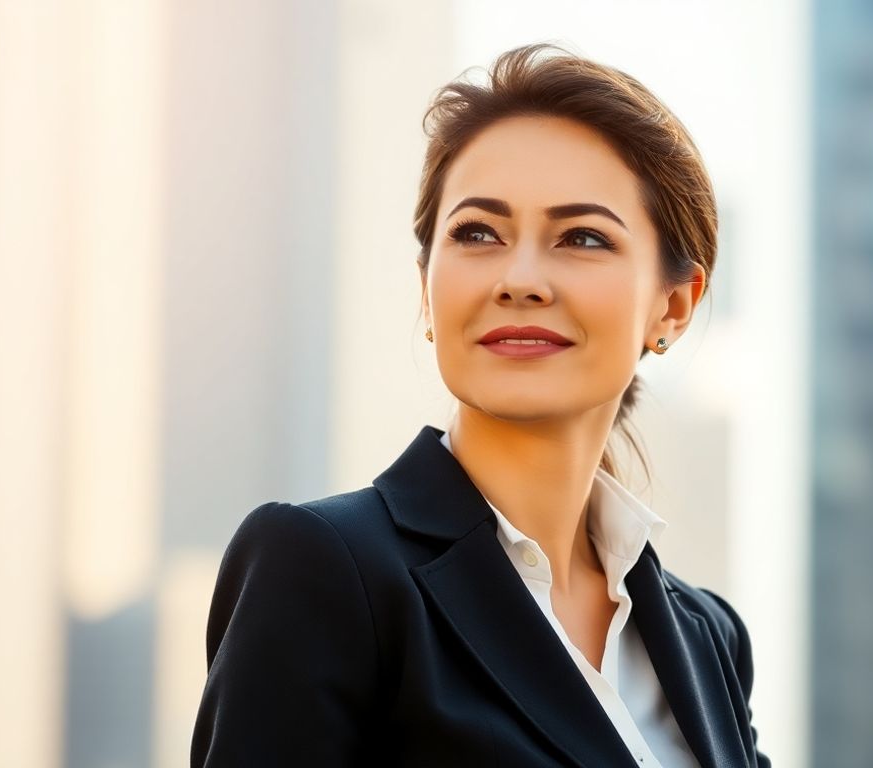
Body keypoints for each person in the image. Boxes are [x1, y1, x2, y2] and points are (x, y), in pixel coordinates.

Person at [191, 43, 769, 768]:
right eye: (477, 234)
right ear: (426, 285)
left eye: (582, 237)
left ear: (674, 307)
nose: (520, 278)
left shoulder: (708, 637)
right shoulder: (325, 572)